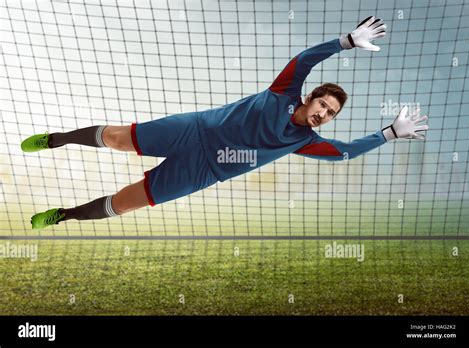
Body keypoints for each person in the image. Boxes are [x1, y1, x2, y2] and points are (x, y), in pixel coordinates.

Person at [21, 16, 428, 229]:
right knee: (115, 138)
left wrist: (389, 133)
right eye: (323, 103)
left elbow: (344, 153)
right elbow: (305, 59)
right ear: (310, 96)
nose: (324, 113)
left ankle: (63, 215)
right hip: (193, 129)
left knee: (129, 202)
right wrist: (346, 42)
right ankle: (56, 138)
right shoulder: (284, 91)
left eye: (331, 113)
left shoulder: (303, 142)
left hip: (204, 170)